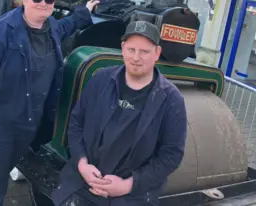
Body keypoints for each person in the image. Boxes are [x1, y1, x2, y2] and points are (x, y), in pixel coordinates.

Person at [0, 0, 100, 206]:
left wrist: (84, 11)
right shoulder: (3, 30)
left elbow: (68, 25)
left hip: (25, 125)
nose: (43, 3)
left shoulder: (52, 28)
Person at [52, 21, 188, 206]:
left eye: (144, 51)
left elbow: (171, 155)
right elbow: (76, 123)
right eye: (131, 49)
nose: (136, 57)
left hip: (131, 197)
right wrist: (82, 164)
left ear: (157, 53)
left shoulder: (171, 100)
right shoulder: (100, 80)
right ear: (122, 48)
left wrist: (129, 185)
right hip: (82, 185)